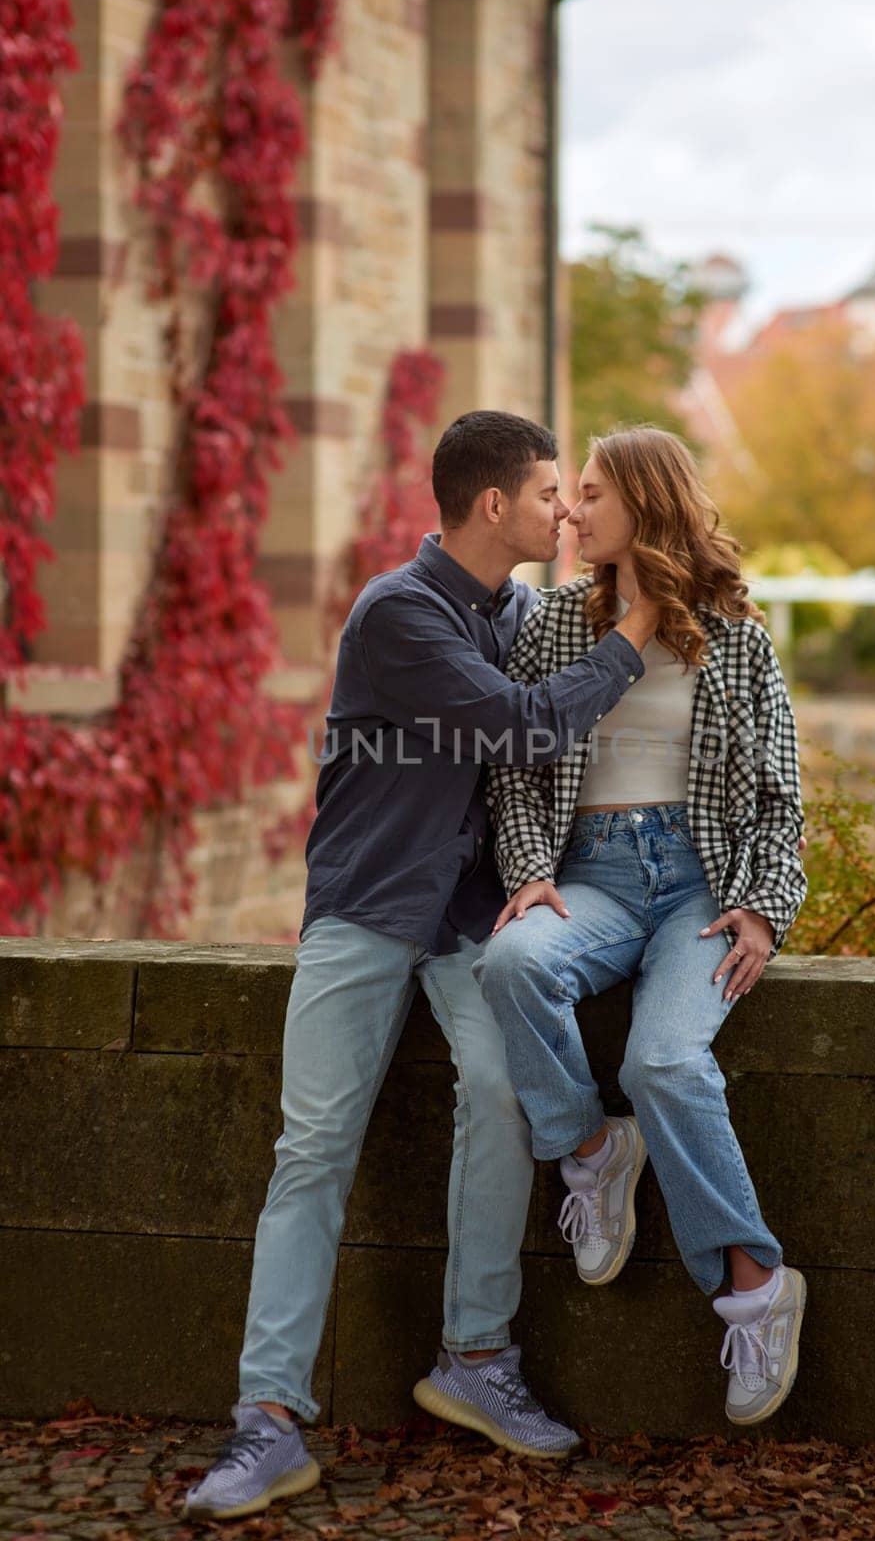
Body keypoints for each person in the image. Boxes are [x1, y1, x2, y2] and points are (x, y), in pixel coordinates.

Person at [183, 411, 660, 1520]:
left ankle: (476, 1357)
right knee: (312, 1147)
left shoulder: (526, 612)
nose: (565, 510)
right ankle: (266, 1421)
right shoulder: (398, 612)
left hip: (468, 913)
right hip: (364, 908)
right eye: (551, 491)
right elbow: (526, 726)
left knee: (504, 1093)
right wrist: (630, 636)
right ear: (494, 505)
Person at [473, 425, 808, 1429]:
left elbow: (782, 795)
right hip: (595, 879)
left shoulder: (737, 635)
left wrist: (760, 903)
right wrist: (531, 869)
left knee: (664, 1065)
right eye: (567, 492)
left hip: (700, 888)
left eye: (589, 493)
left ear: (645, 502)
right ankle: (590, 1149)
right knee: (512, 961)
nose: (571, 511)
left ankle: (754, 1285)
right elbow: (513, 768)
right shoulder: (557, 624)